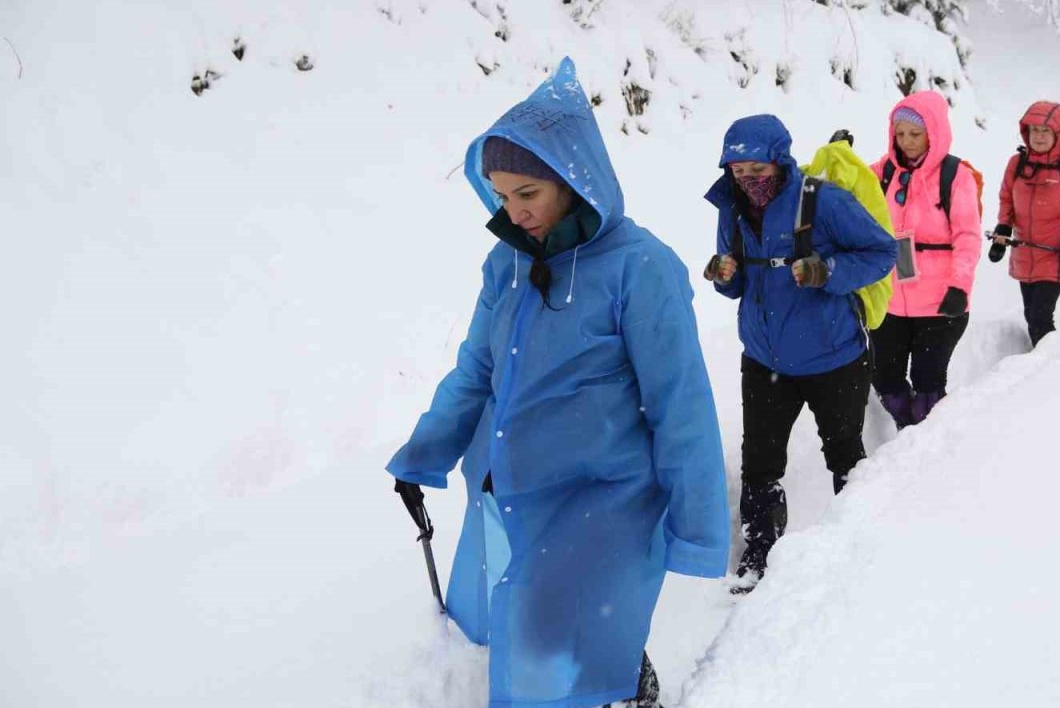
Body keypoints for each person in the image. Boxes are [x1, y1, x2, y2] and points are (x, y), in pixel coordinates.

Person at [386, 58, 730, 708]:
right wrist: (424, 455)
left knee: (538, 649)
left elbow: (680, 405)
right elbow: (475, 371)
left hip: (604, 495)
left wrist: (699, 529)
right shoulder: (506, 264)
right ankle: (619, 672)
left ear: (572, 180)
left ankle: (626, 691)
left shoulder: (640, 269)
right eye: (500, 195)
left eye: (527, 194)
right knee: (549, 624)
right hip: (514, 486)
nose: (512, 213)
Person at [703, 114, 897, 592]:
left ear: (780, 161)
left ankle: (853, 547)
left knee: (846, 456)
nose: (748, 181)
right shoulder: (731, 207)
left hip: (835, 358)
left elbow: (882, 252)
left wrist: (826, 271)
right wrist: (725, 276)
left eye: (757, 169)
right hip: (765, 359)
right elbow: (742, 282)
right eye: (738, 170)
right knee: (760, 462)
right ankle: (759, 550)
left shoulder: (822, 201)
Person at [868, 91, 982, 428]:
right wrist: (837, 157)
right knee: (885, 377)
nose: (906, 142)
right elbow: (849, 184)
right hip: (891, 300)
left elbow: (968, 236)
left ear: (934, 131)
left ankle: (925, 445)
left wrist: (960, 286)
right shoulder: (885, 171)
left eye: (915, 134)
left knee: (928, 381)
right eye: (899, 134)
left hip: (941, 302)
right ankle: (908, 428)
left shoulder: (954, 175)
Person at [989, 101, 1060, 347]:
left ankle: (1047, 367)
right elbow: (1007, 197)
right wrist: (1003, 227)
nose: (1038, 136)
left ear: (1058, 134)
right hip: (1024, 251)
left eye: (1045, 130)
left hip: (1056, 253)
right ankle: (1040, 361)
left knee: (1040, 316)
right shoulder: (1016, 164)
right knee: (1031, 315)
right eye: (1034, 130)